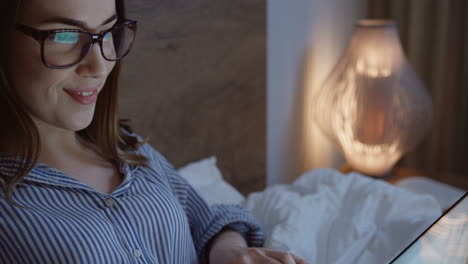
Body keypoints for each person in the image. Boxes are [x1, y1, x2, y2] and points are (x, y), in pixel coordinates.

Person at [0, 0, 309, 263]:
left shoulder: (128, 150)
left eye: (108, 32)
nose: (98, 65)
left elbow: (208, 220)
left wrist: (229, 252)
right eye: (65, 36)